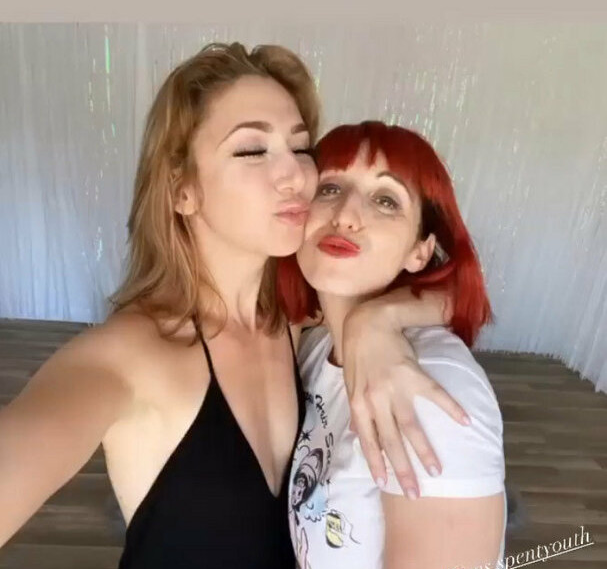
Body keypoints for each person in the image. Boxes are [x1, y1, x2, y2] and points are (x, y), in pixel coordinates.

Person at [0, 43, 463, 569]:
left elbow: (449, 288)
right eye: (252, 150)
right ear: (182, 190)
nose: (296, 177)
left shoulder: (295, 318)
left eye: (301, 148)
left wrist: (378, 321)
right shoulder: (126, 358)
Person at [283, 121, 506, 569]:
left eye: (386, 200)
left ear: (420, 252)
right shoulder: (313, 349)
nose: (346, 214)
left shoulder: (431, 388)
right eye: (329, 188)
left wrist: (377, 318)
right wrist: (373, 319)